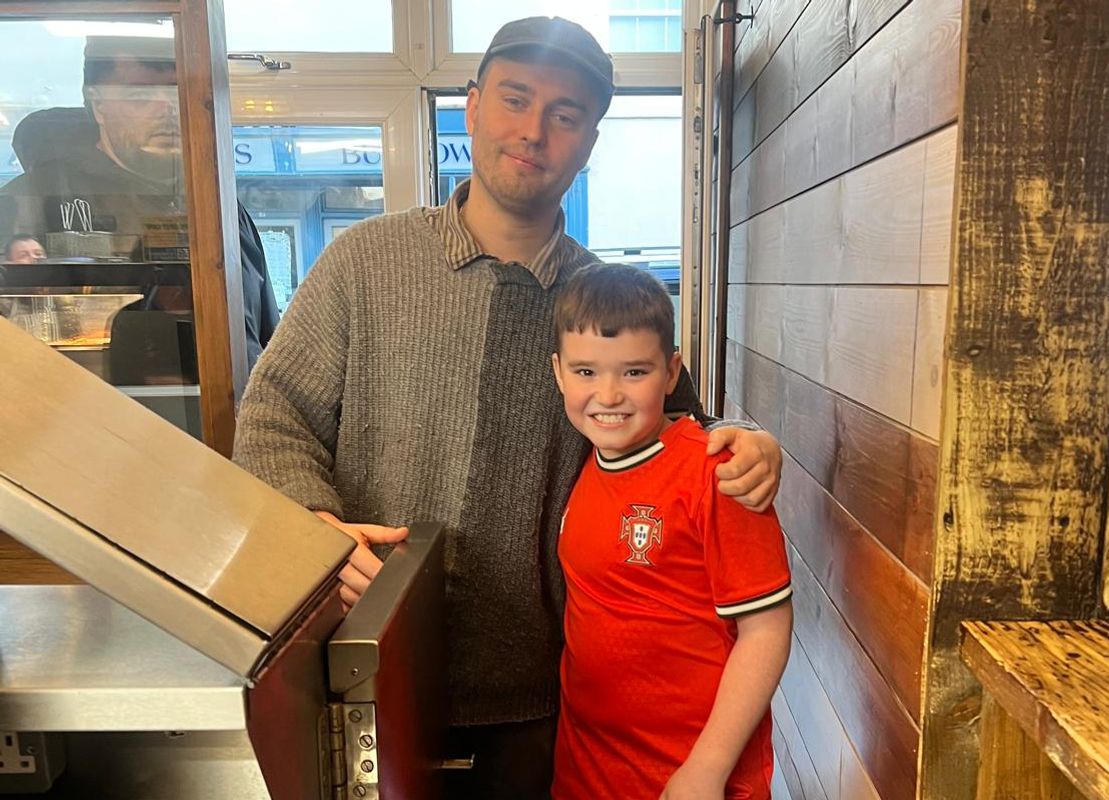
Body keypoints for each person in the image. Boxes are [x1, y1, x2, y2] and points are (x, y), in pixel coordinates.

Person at [232, 17, 782, 798]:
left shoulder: (604, 297)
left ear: (590, 140)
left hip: (543, 696)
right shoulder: (365, 261)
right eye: (515, 100)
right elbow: (273, 415)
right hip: (364, 668)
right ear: (472, 105)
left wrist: (749, 436)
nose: (534, 131)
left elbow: (684, 426)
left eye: (566, 114)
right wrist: (312, 525)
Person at [550, 263, 792, 800]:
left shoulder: (719, 473)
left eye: (634, 372)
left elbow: (767, 631)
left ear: (671, 371)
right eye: (587, 372)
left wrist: (706, 770)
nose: (608, 395)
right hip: (589, 771)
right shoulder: (585, 462)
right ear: (559, 372)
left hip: (693, 776)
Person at [0, 36, 278, 366]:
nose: (168, 109)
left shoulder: (220, 208)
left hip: (222, 407)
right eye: (139, 95)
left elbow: (262, 334)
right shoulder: (30, 201)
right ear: (98, 105)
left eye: (177, 92)